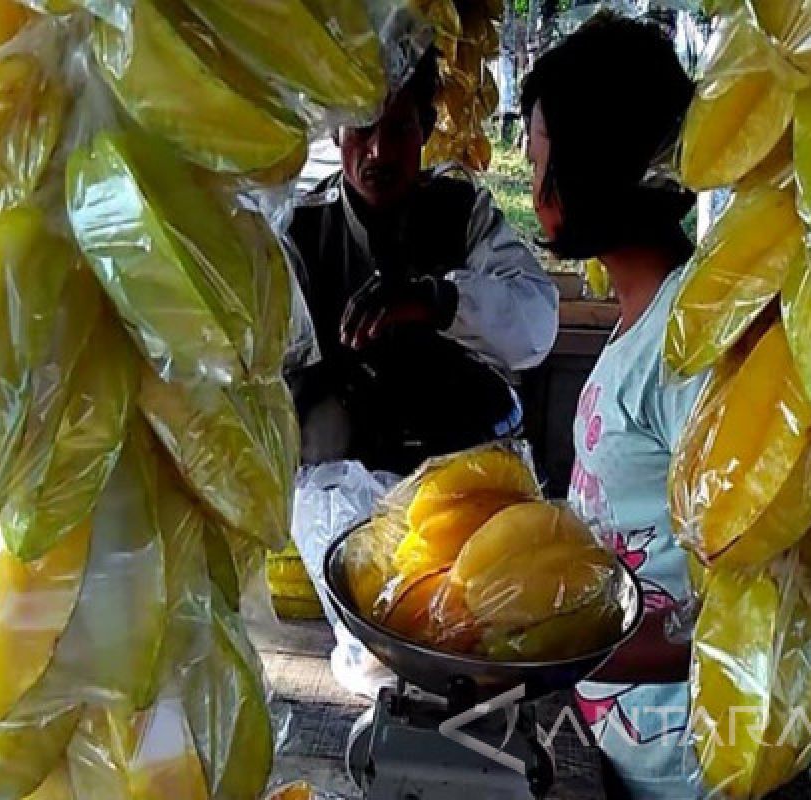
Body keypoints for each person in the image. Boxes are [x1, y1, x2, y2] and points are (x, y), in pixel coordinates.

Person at [521, 13, 703, 799]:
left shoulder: (690, 344)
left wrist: (545, 652)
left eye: (537, 159)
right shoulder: (643, 310)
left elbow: (741, 608)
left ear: (588, 166)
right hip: (618, 737)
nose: (530, 185)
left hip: (683, 763)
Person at [288, 48, 558, 476]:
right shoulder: (300, 232)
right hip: (342, 494)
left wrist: (437, 300)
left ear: (426, 129)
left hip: (460, 477)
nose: (379, 151)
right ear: (336, 132)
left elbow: (536, 323)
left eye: (398, 129)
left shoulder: (463, 212)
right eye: (362, 128)